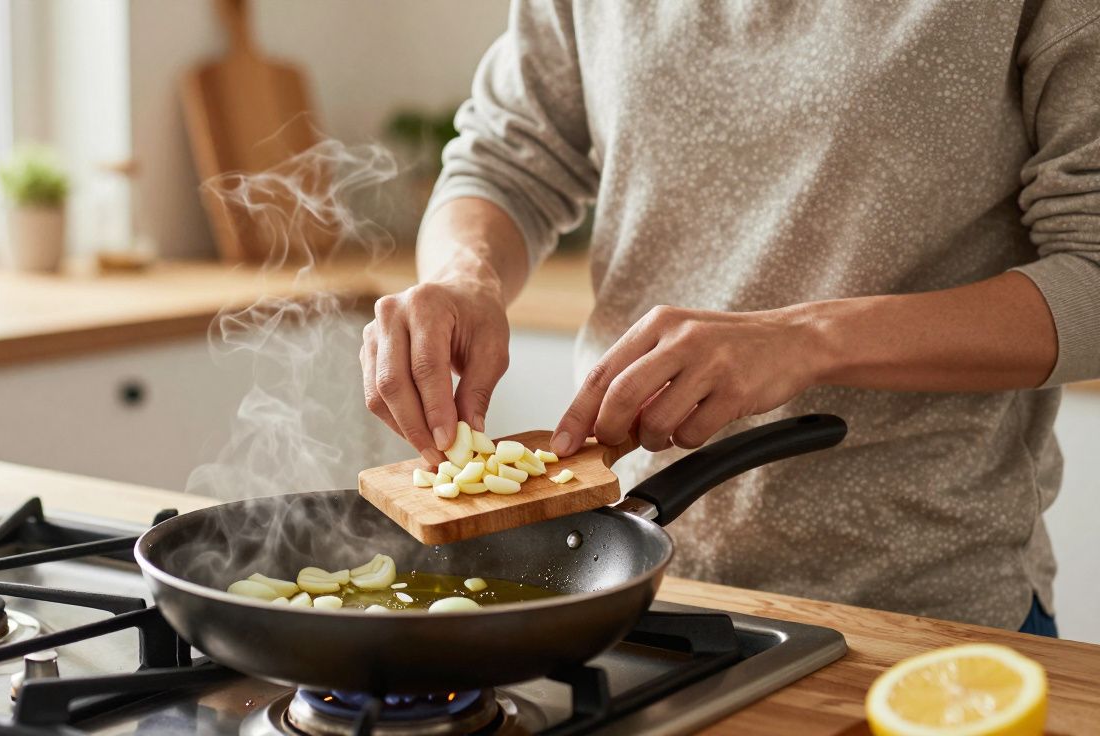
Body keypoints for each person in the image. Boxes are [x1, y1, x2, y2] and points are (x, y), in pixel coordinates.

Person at [359, 1, 1099, 637]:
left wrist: (807, 340)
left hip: (922, 607)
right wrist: (466, 273)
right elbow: (504, 159)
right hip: (625, 585)